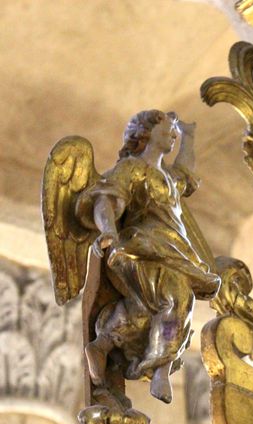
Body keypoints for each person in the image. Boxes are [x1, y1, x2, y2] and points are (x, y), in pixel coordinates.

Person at [76, 109, 220, 404]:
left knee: (146, 311)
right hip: (140, 249)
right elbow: (106, 201)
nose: (172, 135)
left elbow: (186, 172)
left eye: (173, 132)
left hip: (172, 252)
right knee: (178, 298)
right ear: (145, 134)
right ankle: (160, 369)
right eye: (166, 131)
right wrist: (109, 232)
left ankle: (103, 345)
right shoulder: (132, 169)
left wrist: (189, 136)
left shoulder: (167, 177)